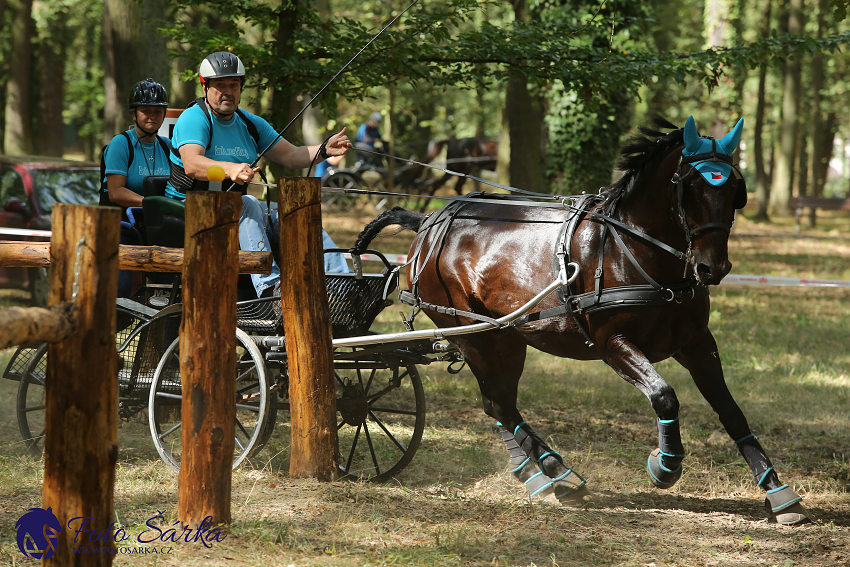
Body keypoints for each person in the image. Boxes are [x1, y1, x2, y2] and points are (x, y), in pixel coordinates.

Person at [165, 52, 352, 299]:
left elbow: (292, 155)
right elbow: (192, 164)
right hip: (186, 211)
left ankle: (343, 284)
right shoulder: (195, 118)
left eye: (234, 85)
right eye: (220, 85)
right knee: (249, 203)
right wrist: (231, 170)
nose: (228, 91)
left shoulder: (250, 124)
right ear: (205, 86)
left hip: (234, 212)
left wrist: (324, 149)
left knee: (296, 210)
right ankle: (270, 288)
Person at [101, 77, 172, 297]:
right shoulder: (121, 143)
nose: (152, 116)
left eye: (158, 111)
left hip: (154, 229)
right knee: (119, 290)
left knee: (171, 284)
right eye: (145, 110)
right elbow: (115, 192)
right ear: (134, 114)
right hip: (120, 228)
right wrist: (153, 204)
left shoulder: (167, 146)